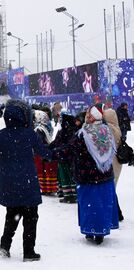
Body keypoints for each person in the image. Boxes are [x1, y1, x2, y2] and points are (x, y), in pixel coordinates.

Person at [0, 100, 53, 262]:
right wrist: (61, 151)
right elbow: (45, 153)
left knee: (12, 215)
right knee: (31, 217)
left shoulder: (0, 136)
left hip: (9, 183)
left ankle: (5, 246)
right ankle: (28, 252)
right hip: (28, 182)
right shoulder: (30, 134)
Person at [52, 104, 118, 245]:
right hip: (105, 176)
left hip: (87, 176)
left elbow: (70, 149)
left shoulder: (84, 133)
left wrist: (52, 154)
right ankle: (101, 231)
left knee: (89, 205)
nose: (87, 116)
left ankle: (90, 230)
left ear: (94, 117)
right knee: (101, 205)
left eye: (89, 114)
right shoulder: (106, 130)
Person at [103, 108, 124, 221]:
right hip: (116, 162)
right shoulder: (117, 128)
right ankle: (116, 213)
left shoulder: (109, 128)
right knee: (111, 188)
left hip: (111, 161)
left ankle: (116, 214)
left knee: (110, 188)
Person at [53, 114, 79, 204]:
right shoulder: (74, 130)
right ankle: (74, 195)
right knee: (71, 177)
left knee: (65, 177)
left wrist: (55, 149)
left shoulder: (64, 131)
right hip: (71, 158)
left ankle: (68, 196)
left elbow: (57, 142)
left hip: (64, 157)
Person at [33, 110, 58, 195]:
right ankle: (48, 189)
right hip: (44, 152)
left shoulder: (40, 128)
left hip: (40, 153)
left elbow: (40, 142)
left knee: (43, 171)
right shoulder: (43, 128)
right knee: (45, 171)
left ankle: (46, 189)